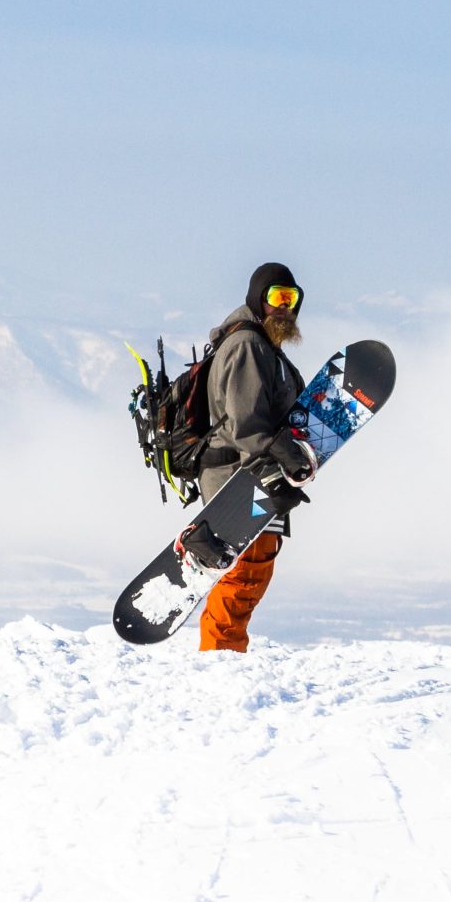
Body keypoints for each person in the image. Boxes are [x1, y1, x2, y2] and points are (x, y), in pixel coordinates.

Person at [188, 262, 317, 652]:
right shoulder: (247, 346)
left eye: (291, 299)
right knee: (244, 576)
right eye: (276, 297)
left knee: (250, 575)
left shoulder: (265, 348)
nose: (284, 308)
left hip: (250, 476)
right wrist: (273, 472)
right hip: (239, 479)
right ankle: (220, 659)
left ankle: (222, 653)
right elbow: (247, 425)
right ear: (258, 299)